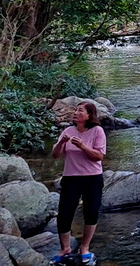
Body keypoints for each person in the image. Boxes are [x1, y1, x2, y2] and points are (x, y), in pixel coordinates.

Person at [51, 101, 107, 264]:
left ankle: (85, 247)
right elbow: (55, 155)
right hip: (71, 177)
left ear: (89, 115)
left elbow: (99, 156)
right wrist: (62, 142)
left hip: (92, 177)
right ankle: (65, 248)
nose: (75, 113)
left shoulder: (97, 131)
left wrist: (83, 146)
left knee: (91, 212)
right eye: (75, 110)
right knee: (64, 214)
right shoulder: (68, 131)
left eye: (80, 110)